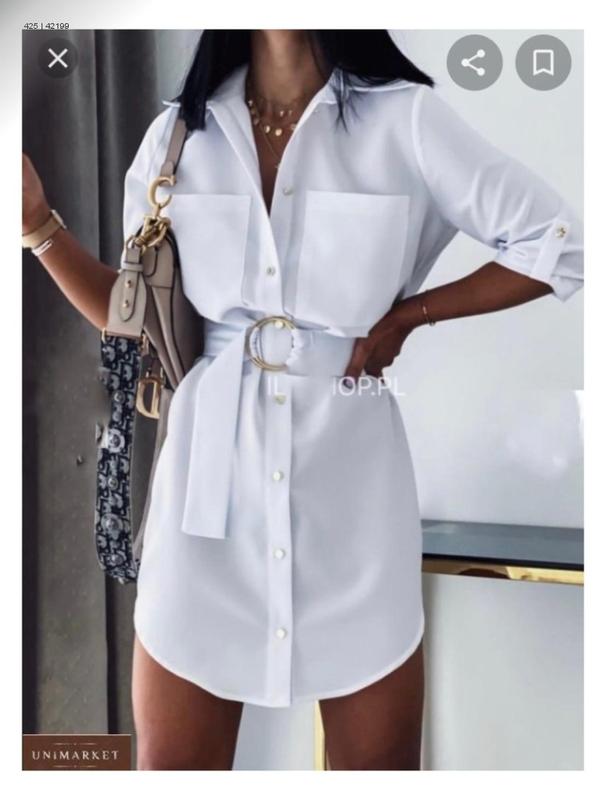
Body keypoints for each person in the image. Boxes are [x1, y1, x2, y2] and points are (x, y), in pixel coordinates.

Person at [22, 30, 583, 770]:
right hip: (203, 507)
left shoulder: (406, 119)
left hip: (351, 503)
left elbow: (558, 244)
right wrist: (37, 224)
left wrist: (411, 316)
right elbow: (136, 318)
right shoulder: (178, 136)